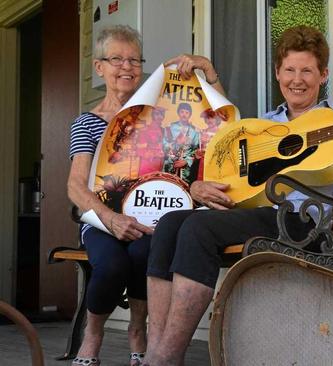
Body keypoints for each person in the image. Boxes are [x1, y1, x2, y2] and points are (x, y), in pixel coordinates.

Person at [142, 25, 333, 366]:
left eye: (307, 70)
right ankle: (155, 353)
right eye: (290, 70)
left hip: (303, 221)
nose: (297, 79)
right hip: (259, 213)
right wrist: (199, 187)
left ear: (322, 75)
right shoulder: (266, 124)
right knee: (169, 223)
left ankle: (166, 357)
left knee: (197, 229)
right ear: (278, 73)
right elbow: (226, 158)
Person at [66, 24, 226, 366]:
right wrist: (111, 219)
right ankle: (93, 333)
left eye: (134, 60)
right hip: (104, 220)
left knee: (145, 254)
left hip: (151, 219)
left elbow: (219, 124)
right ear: (99, 67)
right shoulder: (88, 123)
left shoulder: (159, 118)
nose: (127, 67)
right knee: (110, 266)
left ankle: (138, 330)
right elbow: (75, 186)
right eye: (117, 60)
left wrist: (208, 72)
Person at [162, 103, 200, 182]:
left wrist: (186, 161)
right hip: (170, 166)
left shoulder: (194, 131)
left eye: (187, 112)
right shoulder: (170, 128)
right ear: (178, 113)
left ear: (190, 114)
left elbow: (196, 150)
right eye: (182, 112)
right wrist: (176, 142)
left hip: (186, 171)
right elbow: (164, 146)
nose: (184, 115)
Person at [136, 107, 166, 176]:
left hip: (159, 167)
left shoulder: (163, 130)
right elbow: (139, 150)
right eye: (157, 114)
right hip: (147, 166)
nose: (159, 116)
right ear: (153, 115)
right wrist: (154, 154)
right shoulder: (145, 130)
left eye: (161, 114)